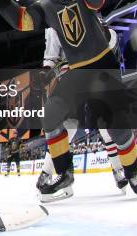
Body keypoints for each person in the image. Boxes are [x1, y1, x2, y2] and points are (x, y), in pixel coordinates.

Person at [0, 0, 137, 201]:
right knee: (50, 115)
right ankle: (64, 174)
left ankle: (132, 173)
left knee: (118, 129)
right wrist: (3, 1)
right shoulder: (48, 4)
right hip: (76, 71)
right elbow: (25, 21)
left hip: (103, 66)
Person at [36, 28, 128, 194]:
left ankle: (118, 169)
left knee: (105, 122)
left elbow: (111, 41)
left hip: (94, 78)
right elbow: (50, 57)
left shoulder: (89, 17)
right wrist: (47, 70)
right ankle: (48, 173)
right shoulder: (54, 26)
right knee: (67, 126)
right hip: (71, 81)